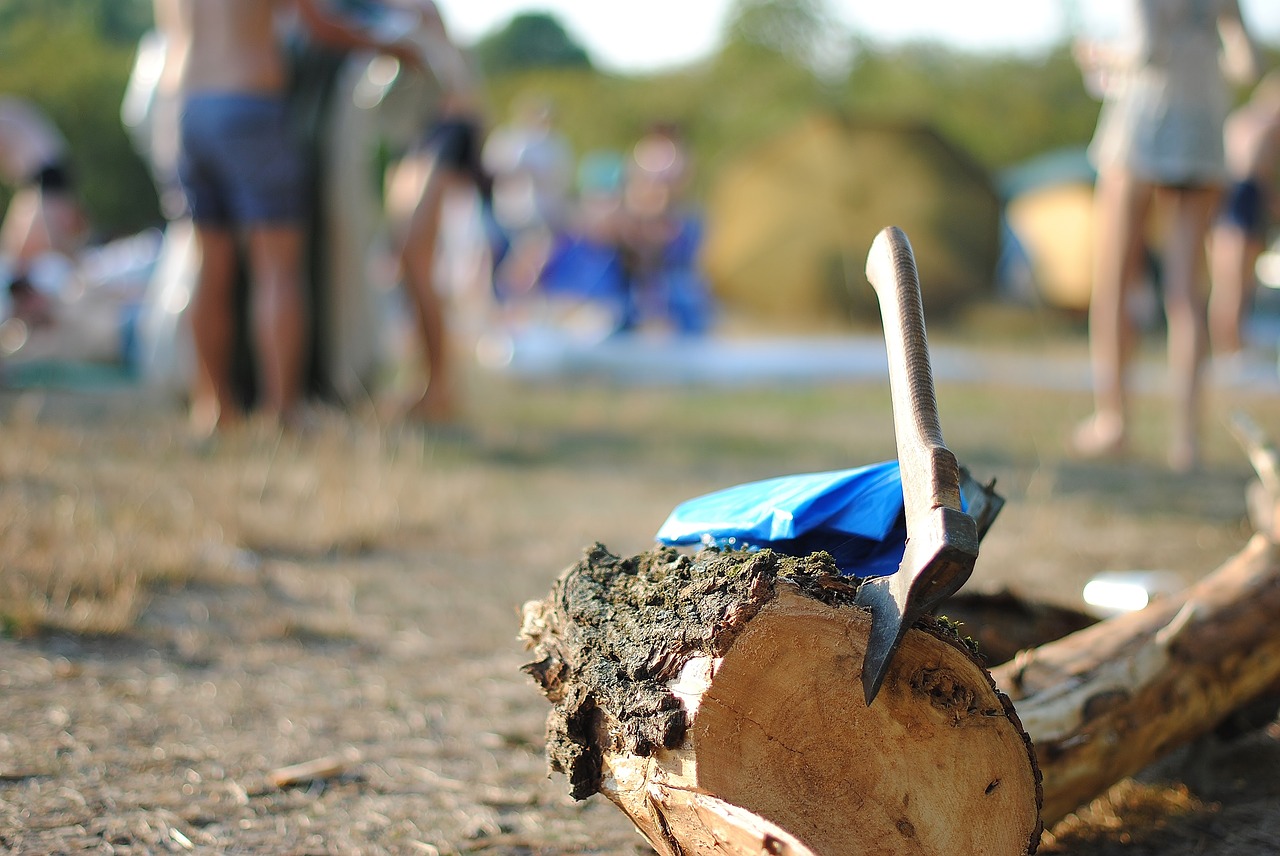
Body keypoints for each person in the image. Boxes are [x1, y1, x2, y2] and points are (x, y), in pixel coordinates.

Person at [151, 0, 417, 434]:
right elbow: (317, 25)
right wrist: (393, 45)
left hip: (188, 109)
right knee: (277, 267)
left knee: (209, 264)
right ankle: (283, 410)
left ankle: (213, 406)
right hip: (250, 102)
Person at [1071, 0, 1259, 472]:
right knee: (1186, 292)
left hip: (1144, 125)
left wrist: (1098, 55)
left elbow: (1143, 49)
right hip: (1203, 129)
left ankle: (1112, 420)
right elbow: (1247, 63)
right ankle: (1186, 440)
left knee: (1114, 279)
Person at [379, 0, 489, 423]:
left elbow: (457, 86)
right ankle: (429, 383)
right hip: (420, 139)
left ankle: (440, 387)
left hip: (441, 134)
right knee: (410, 267)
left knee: (418, 262)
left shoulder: (416, 13)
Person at [1209, 69, 1280, 360]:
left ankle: (1226, 346)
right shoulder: (1267, 128)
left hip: (1221, 197)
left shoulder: (1238, 120)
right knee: (1238, 282)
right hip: (1244, 200)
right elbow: (1259, 175)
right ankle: (1232, 348)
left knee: (1225, 281)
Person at [0, 96, 89, 300]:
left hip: (46, 179)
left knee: (36, 245)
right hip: (41, 179)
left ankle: (70, 289)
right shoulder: (11, 111)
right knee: (19, 248)